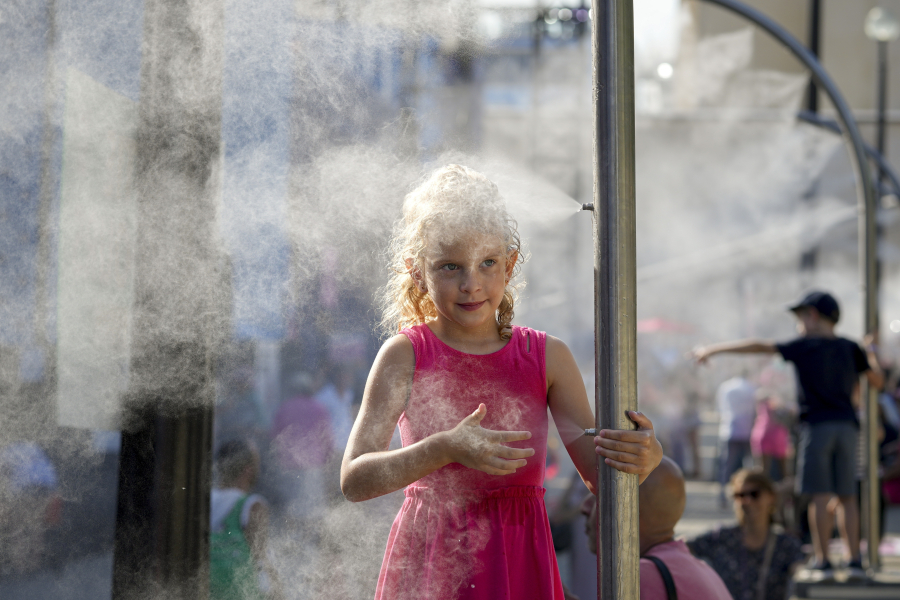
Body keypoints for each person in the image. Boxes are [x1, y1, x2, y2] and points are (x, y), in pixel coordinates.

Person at [340, 165, 663, 600]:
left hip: (518, 561)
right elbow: (355, 480)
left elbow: (598, 474)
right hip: (432, 562)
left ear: (509, 265)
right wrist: (443, 448)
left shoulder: (547, 357)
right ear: (418, 272)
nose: (471, 284)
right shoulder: (405, 355)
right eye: (450, 266)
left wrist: (645, 458)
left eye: (487, 263)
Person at [693, 290, 883, 576]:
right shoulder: (851, 347)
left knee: (819, 496)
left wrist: (713, 349)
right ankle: (855, 559)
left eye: (800, 317)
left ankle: (823, 560)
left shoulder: (805, 345)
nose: (798, 325)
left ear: (813, 315)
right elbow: (876, 381)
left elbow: (759, 346)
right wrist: (870, 353)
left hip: (816, 426)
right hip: (847, 427)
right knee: (847, 497)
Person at [575, 457, 733, 600]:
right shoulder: (701, 570)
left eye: (598, 495)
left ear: (629, 509)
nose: (584, 507)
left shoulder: (641, 578)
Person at [688, 468, 805, 600]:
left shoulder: (786, 544)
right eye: (740, 496)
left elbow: (802, 574)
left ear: (771, 497)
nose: (747, 501)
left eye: (754, 494)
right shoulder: (721, 537)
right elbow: (678, 549)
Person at [209, 440, 283, 600]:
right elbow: (261, 557)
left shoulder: (203, 501)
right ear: (248, 470)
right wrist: (278, 591)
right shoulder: (252, 505)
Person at [715, 373, 757, 507]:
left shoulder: (726, 387)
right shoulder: (751, 388)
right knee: (749, 465)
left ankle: (722, 495)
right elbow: (754, 410)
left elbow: (720, 408)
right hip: (747, 430)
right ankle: (750, 497)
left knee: (727, 465)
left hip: (730, 430)